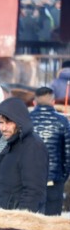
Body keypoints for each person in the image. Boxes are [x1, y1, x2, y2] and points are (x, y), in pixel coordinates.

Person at [30, 87, 70, 215]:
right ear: (53, 102)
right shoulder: (62, 121)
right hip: (54, 179)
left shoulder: (25, 120)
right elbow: (68, 154)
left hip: (30, 181)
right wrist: (62, 176)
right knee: (52, 223)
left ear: (34, 102)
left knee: (31, 222)